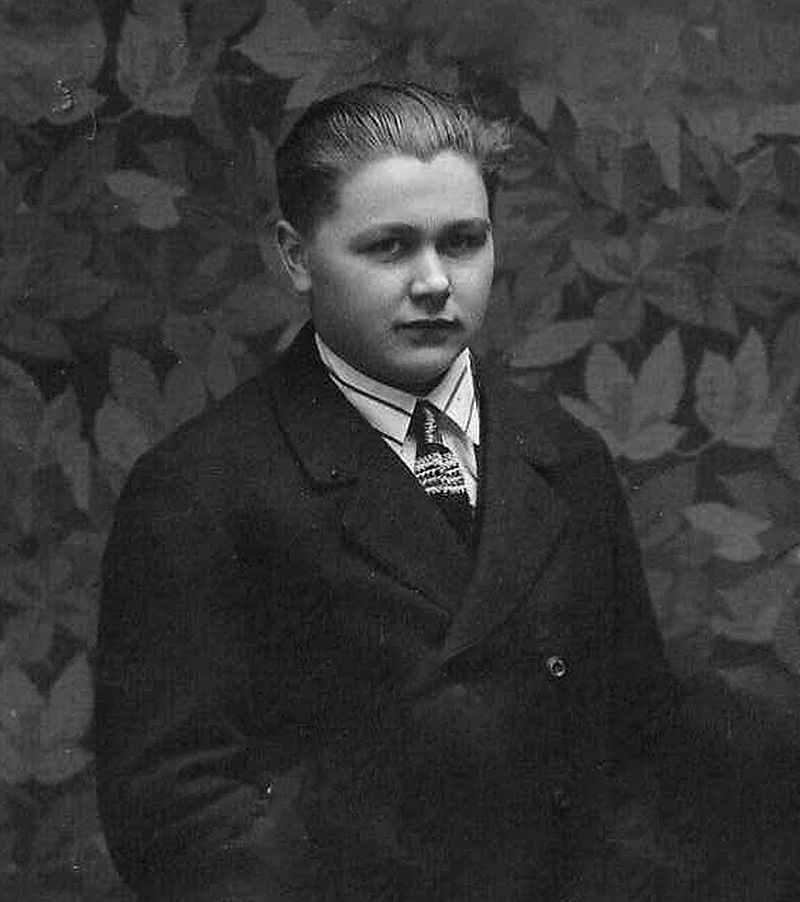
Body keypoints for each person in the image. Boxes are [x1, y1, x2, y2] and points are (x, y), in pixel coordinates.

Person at [96, 82, 708, 901]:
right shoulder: (201, 489)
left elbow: (642, 753)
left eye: (463, 241)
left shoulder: (565, 456)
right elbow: (178, 820)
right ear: (293, 256)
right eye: (388, 248)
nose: (434, 282)